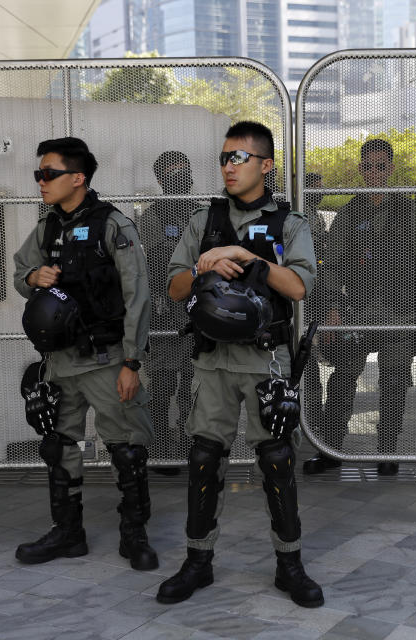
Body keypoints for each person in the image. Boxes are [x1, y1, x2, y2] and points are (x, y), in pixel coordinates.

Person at [158, 121, 323, 608]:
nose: (228, 167)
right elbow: (173, 287)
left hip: (265, 361)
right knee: (205, 459)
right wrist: (203, 264)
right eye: (224, 158)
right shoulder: (202, 220)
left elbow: (297, 288)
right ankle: (198, 561)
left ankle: (289, 565)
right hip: (212, 363)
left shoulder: (289, 224)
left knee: (277, 461)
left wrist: (243, 255)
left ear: (265, 166)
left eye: (239, 158)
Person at [13, 137, 158, 570]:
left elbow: (138, 297)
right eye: (39, 174)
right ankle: (68, 532)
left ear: (77, 178)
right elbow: (21, 272)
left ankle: (134, 535)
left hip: (106, 360)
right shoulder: (46, 228)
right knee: (58, 446)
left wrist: (132, 361)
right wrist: (33, 277)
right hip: (60, 361)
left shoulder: (113, 225)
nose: (41, 181)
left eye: (49, 174)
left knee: (126, 449)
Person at [303, 138, 416, 477]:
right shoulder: (350, 212)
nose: (374, 173)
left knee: (394, 382)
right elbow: (330, 264)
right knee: (342, 378)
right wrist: (333, 307)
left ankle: (388, 449)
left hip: (400, 312)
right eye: (367, 167)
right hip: (358, 313)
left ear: (391, 169)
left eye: (381, 166)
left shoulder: (408, 212)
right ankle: (331, 447)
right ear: (360, 170)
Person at [140, 151, 199, 475]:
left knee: (194, 384)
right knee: (161, 385)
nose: (181, 176)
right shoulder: (153, 216)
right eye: (173, 172)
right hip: (165, 310)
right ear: (161, 180)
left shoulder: (201, 211)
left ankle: (189, 444)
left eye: (184, 169)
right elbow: (161, 259)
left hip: (197, 311)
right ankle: (160, 448)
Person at [303, 172, 329, 430]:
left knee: (306, 353)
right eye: (315, 188)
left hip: (311, 291)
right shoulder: (300, 211)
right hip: (296, 290)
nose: (319, 192)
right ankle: (309, 411)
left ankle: (312, 411)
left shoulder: (315, 215)